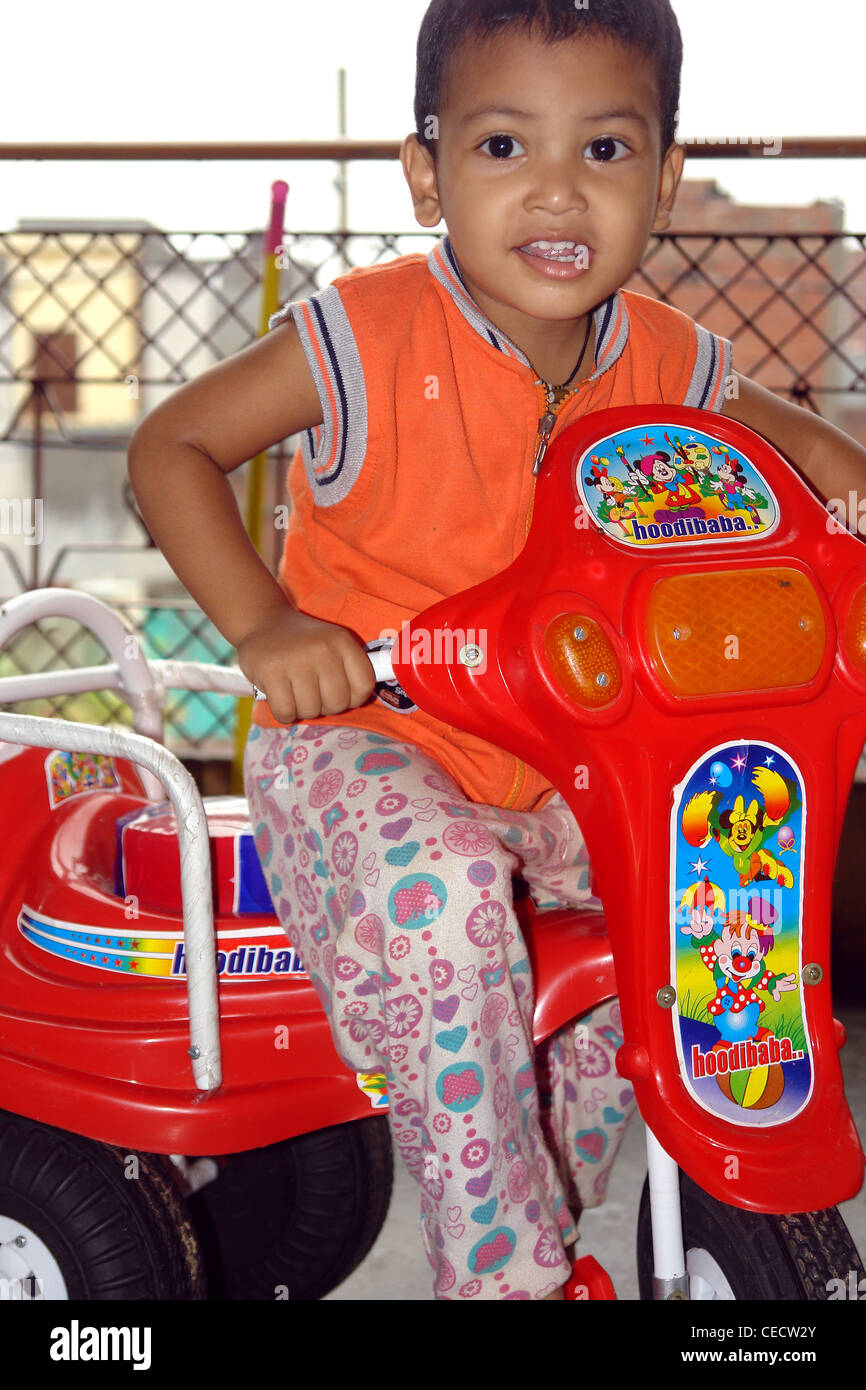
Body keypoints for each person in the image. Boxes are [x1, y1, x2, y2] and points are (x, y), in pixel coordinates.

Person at [128, 0, 866, 1300]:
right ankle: (501, 1274)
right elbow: (170, 446)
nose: (554, 192)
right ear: (427, 173)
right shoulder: (361, 335)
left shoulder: (665, 360)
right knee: (450, 897)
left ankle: (572, 1208)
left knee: (697, 895)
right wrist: (268, 624)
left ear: (663, 175)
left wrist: (832, 469)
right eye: (502, 147)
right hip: (368, 743)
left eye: (603, 149)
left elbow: (771, 432)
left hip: (576, 763)